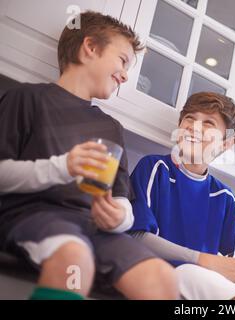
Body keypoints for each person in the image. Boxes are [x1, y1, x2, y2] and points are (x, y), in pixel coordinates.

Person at [0, 11, 178, 300]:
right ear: (90, 48)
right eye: (122, 60)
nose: (125, 74)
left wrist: (118, 217)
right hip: (33, 216)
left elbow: (122, 200)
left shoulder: (111, 127)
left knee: (162, 279)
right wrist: (62, 167)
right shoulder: (27, 99)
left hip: (95, 229)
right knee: (75, 263)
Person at [129, 92, 235, 300]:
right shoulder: (155, 168)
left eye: (208, 123)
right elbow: (135, 236)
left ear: (227, 143)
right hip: (170, 275)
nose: (194, 127)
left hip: (208, 283)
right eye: (189, 118)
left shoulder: (224, 197)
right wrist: (203, 260)